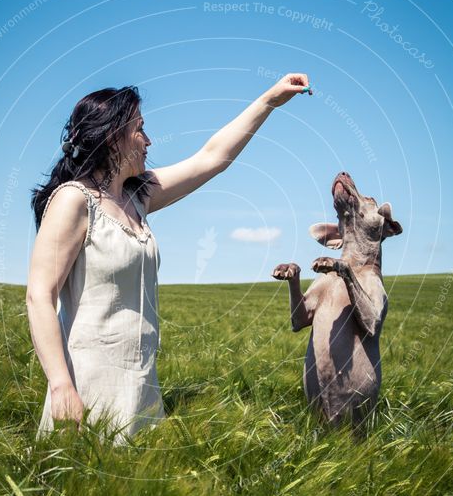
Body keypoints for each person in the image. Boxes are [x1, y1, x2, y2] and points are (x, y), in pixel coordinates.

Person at [26, 73, 312, 444]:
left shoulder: (137, 197)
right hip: (86, 386)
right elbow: (39, 296)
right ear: (114, 138)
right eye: (140, 129)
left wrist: (269, 101)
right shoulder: (73, 200)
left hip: (141, 386)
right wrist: (61, 384)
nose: (149, 140)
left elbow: (212, 158)